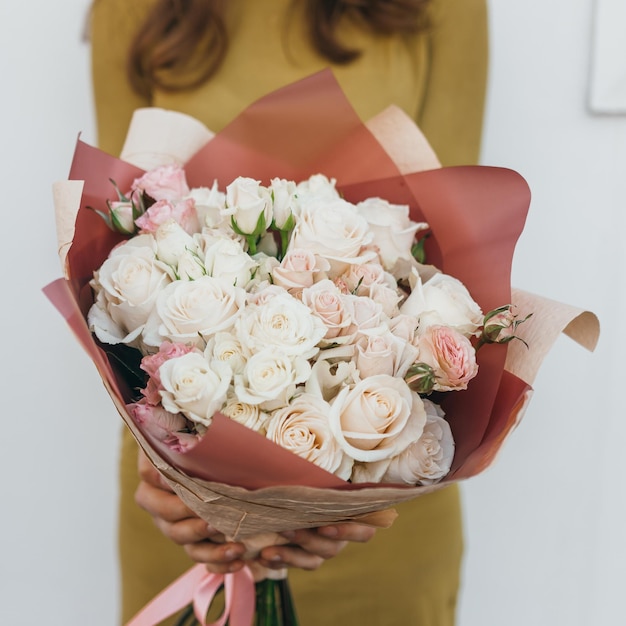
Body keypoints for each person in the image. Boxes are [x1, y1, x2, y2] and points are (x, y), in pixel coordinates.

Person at [89, 0, 488, 624]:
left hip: (383, 496)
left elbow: (445, 251)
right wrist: (172, 465)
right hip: (188, 503)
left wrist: (353, 483)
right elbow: (123, 242)